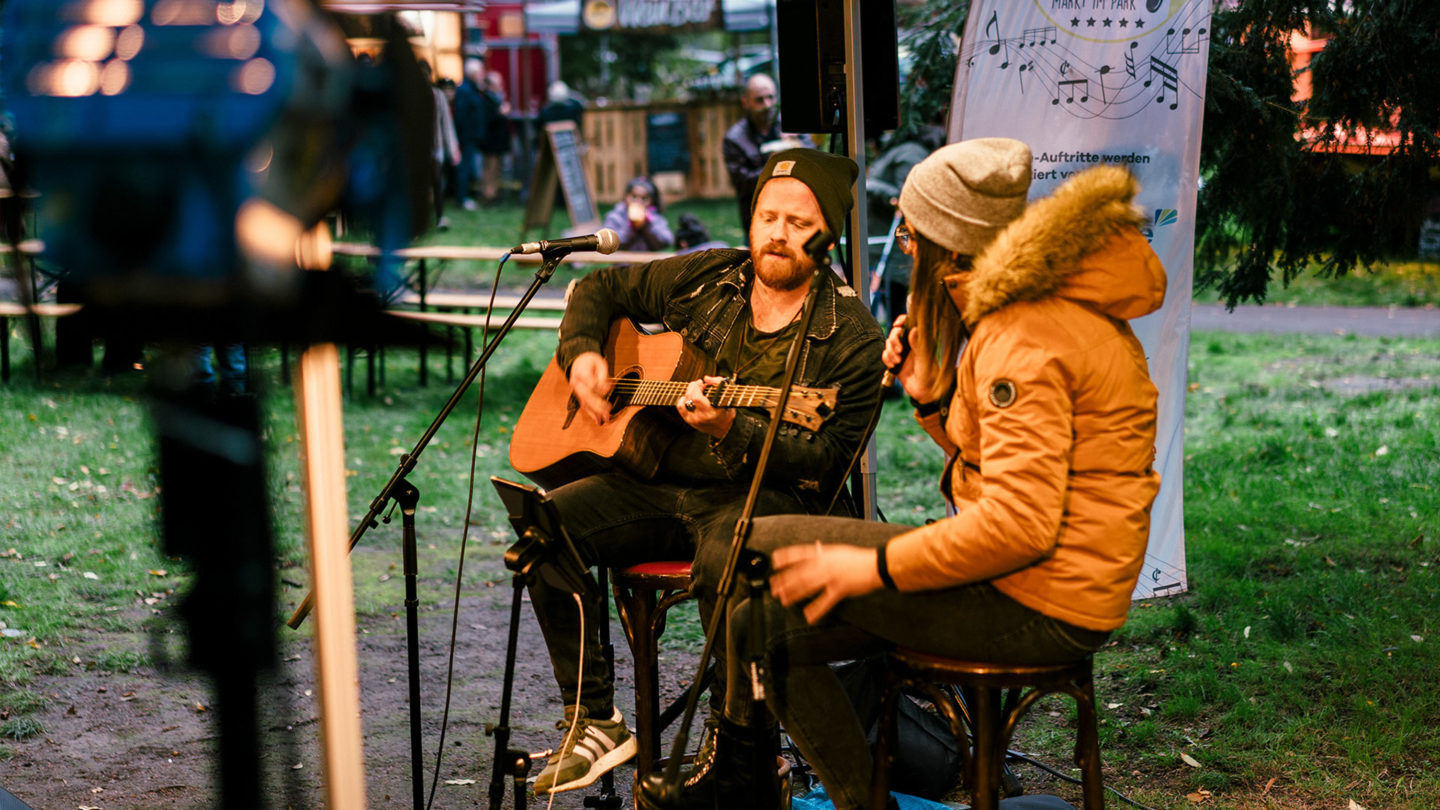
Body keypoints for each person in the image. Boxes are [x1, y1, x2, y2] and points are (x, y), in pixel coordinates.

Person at [662, 139, 1168, 809]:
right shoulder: (1035, 310)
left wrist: (874, 568)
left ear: (944, 243)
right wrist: (929, 394)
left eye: (908, 230)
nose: (903, 248)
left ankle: (793, 785)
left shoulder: (1022, 334)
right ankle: (767, 770)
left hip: (1041, 599)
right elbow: (997, 466)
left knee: (744, 563)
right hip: (1049, 579)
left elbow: (1018, 526)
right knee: (750, 578)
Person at [523, 149, 885, 797]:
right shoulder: (710, 276)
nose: (777, 232)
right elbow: (602, 288)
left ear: (828, 234)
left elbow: (826, 466)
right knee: (543, 526)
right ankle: (595, 716)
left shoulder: (852, 336)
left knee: (731, 561)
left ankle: (740, 756)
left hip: (755, 498)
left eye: (798, 222)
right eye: (767, 216)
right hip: (658, 479)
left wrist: (732, 429)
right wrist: (581, 354)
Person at [864, 125, 945, 326]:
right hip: (883, 241)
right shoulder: (900, 150)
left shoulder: (910, 152)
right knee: (886, 303)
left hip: (895, 245)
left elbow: (906, 195)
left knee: (896, 307)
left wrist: (870, 186)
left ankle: (901, 350)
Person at [721, 74, 814, 232]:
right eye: (759, 100)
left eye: (770, 97)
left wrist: (796, 146)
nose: (767, 104)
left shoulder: (791, 125)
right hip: (761, 223)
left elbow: (815, 161)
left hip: (798, 215)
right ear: (745, 102)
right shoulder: (734, 139)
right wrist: (771, 166)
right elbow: (742, 184)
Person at [419, 60, 459, 230]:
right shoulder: (409, 94)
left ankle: (440, 216)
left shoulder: (438, 96)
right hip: (417, 148)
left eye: (426, 74)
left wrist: (453, 148)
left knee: (437, 182)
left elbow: (446, 124)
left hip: (435, 146)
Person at [600, 176, 673, 251]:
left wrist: (646, 227)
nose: (638, 202)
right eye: (634, 197)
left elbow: (667, 240)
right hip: (622, 262)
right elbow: (608, 242)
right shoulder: (615, 216)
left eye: (644, 198)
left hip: (647, 261)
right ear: (625, 197)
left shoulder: (654, 217)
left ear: (651, 201)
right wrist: (631, 228)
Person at [452, 58, 486, 211]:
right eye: (480, 72)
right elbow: (461, 115)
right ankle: (462, 197)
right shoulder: (465, 91)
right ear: (473, 73)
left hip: (470, 135)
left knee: (468, 166)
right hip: (467, 136)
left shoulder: (471, 89)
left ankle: (464, 195)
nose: (482, 75)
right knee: (464, 167)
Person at [478, 71, 512, 206]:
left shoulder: (497, 98)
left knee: (497, 167)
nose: (500, 85)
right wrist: (501, 113)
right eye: (498, 83)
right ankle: (488, 194)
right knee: (490, 168)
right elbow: (487, 119)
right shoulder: (486, 99)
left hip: (498, 140)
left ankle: (494, 193)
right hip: (490, 140)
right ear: (491, 85)